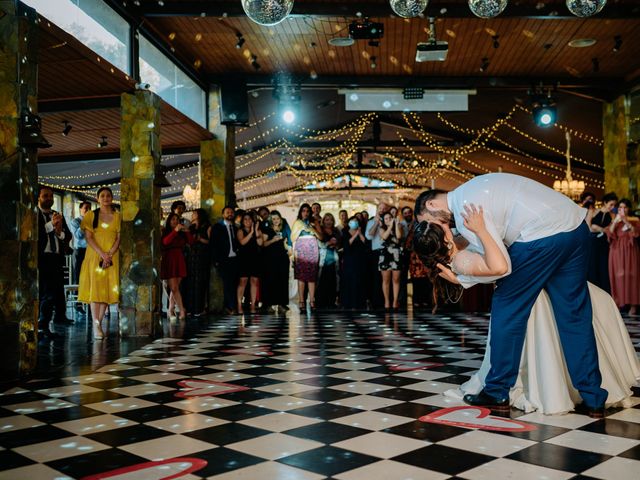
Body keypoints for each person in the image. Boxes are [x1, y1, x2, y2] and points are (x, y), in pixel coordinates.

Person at [414, 173, 608, 417]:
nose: (433, 227)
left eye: (429, 221)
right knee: (575, 314)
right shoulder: (472, 189)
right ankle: (593, 396)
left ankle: (496, 390)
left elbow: (500, 267)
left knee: (507, 308)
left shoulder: (466, 212)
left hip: (542, 238)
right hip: (576, 228)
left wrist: (462, 279)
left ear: (431, 204)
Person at [78, 187, 121, 340]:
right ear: (97, 199)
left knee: (106, 291)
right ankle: (96, 324)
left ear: (112, 197)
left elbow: (118, 239)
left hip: (111, 257)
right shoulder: (91, 215)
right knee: (95, 290)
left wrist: (109, 255)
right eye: (102, 195)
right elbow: (89, 238)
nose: (106, 198)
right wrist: (102, 254)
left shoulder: (118, 216)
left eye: (108, 195)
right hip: (95, 255)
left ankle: (99, 323)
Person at [37, 186, 73, 339]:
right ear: (39, 197)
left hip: (56, 258)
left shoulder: (57, 215)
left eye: (51, 196)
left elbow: (67, 235)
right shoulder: (34, 214)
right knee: (46, 294)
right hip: (42, 258)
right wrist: (52, 224)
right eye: (46, 196)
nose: (49, 199)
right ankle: (42, 326)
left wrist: (59, 231)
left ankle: (52, 321)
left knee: (56, 292)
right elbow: (36, 232)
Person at [608, 198, 640, 315]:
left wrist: (626, 221)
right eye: (620, 207)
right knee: (618, 276)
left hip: (630, 251)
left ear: (629, 209)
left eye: (625, 207)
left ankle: (633, 305)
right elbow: (609, 235)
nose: (622, 210)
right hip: (617, 251)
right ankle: (619, 303)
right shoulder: (614, 220)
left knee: (632, 275)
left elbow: (636, 233)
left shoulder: (635, 220)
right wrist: (616, 221)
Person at [161, 213, 193, 321]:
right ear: (169, 221)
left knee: (175, 288)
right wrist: (175, 231)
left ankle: (170, 309)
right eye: (173, 219)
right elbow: (165, 242)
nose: (175, 221)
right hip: (169, 259)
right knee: (174, 288)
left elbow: (191, 242)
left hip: (179, 259)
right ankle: (181, 309)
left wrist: (187, 231)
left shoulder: (181, 233)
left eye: (177, 219)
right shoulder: (166, 232)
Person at [291, 203, 321, 310]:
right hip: (301, 248)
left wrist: (312, 229)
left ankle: (312, 301)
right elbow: (293, 238)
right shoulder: (297, 223)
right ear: (300, 212)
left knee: (312, 276)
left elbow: (321, 237)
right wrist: (301, 229)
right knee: (301, 276)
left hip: (312, 247)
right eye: (303, 211)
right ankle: (301, 301)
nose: (305, 213)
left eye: (308, 211)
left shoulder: (314, 222)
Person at [586, 192, 617, 293]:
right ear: (605, 202)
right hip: (592, 242)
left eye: (614, 205)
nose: (612, 207)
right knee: (593, 265)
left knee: (603, 266)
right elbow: (588, 227)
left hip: (605, 243)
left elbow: (611, 230)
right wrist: (602, 229)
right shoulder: (593, 211)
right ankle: (592, 291)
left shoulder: (612, 215)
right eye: (611, 204)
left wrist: (599, 229)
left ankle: (604, 292)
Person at [261, 210, 291, 311]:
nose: (276, 220)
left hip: (282, 257)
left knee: (282, 280)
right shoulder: (267, 230)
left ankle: (282, 304)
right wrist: (273, 240)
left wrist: (288, 248)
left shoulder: (283, 229)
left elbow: (289, 240)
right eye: (273, 219)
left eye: (277, 218)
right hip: (270, 258)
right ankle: (268, 304)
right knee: (271, 280)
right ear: (270, 220)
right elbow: (263, 244)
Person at [211, 206, 239, 314]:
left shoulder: (236, 227)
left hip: (235, 259)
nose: (230, 214)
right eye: (227, 212)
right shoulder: (217, 227)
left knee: (234, 283)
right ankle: (230, 307)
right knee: (227, 284)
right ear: (223, 215)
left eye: (231, 212)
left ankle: (231, 306)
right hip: (223, 260)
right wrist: (216, 261)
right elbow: (213, 245)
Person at [185, 208, 212, 316]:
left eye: (194, 214)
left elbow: (211, 242)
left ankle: (199, 308)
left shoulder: (207, 226)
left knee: (200, 282)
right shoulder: (190, 227)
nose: (192, 215)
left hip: (202, 256)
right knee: (190, 282)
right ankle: (190, 308)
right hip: (191, 256)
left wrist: (200, 239)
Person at [236, 212, 263, 314]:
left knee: (254, 282)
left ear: (253, 220)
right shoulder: (240, 231)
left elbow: (260, 243)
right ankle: (239, 305)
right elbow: (242, 242)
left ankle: (253, 305)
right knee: (243, 281)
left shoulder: (257, 231)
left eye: (249, 219)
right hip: (243, 259)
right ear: (243, 221)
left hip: (255, 258)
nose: (248, 221)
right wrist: (251, 233)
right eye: (245, 219)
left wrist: (255, 232)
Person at [341, 216, 368, 310]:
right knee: (349, 280)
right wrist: (355, 234)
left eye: (356, 221)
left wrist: (360, 233)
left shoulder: (362, 231)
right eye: (353, 221)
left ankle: (359, 303)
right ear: (349, 223)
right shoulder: (345, 232)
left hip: (360, 259)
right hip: (349, 259)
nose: (354, 222)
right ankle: (348, 303)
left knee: (359, 280)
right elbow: (346, 245)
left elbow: (366, 243)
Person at [365, 203, 389, 309]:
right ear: (377, 210)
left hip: (389, 251)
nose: (382, 210)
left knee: (388, 279)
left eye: (384, 209)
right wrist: (376, 223)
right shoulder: (371, 222)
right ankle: (376, 302)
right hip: (376, 252)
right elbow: (369, 237)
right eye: (380, 208)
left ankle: (388, 301)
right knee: (376, 278)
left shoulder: (389, 221)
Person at [378, 211, 403, 310]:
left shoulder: (398, 226)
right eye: (386, 219)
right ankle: (387, 301)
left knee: (396, 279)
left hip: (396, 254)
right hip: (385, 255)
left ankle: (395, 301)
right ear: (384, 221)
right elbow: (384, 236)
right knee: (386, 280)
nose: (388, 220)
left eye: (390, 218)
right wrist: (389, 226)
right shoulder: (381, 229)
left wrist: (395, 225)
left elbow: (399, 236)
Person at [316, 213, 341, 309]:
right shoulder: (321, 230)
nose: (329, 221)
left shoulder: (336, 231)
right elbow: (319, 243)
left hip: (334, 258)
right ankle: (320, 301)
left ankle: (331, 301)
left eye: (330, 219)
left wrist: (336, 244)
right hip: (323, 258)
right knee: (322, 279)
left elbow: (339, 242)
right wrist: (328, 243)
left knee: (333, 280)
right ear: (323, 221)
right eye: (326, 219)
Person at [69, 201, 91, 285]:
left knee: (89, 274)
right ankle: (76, 295)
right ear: (80, 209)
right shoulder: (75, 222)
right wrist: (85, 221)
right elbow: (78, 235)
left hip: (91, 251)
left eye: (89, 208)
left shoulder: (93, 222)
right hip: (79, 251)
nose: (88, 210)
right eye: (86, 208)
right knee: (78, 274)